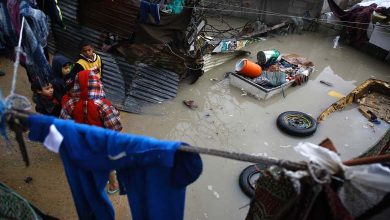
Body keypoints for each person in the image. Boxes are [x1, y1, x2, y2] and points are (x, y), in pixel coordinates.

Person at [60, 70, 122, 194]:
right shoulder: (103, 105)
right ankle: (113, 186)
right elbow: (115, 126)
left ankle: (97, 183)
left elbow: (64, 124)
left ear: (77, 84)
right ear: (96, 83)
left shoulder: (70, 103)